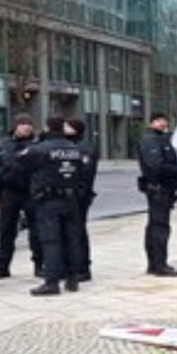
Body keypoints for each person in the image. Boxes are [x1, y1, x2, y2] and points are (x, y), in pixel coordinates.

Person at [21, 117, 87, 296]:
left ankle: (52, 282)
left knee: (51, 241)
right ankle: (72, 279)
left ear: (47, 128)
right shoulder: (75, 149)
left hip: (49, 201)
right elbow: (82, 174)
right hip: (71, 199)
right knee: (71, 240)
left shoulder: (41, 148)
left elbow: (20, 164)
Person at [0, 113, 40, 280]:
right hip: (8, 193)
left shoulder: (37, 145)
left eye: (29, 123)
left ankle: (39, 265)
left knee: (37, 231)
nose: (26, 126)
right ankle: (2, 267)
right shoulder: (4, 145)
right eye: (23, 123)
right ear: (15, 126)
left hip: (31, 192)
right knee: (6, 231)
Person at [138, 114, 177, 277]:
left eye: (165, 120)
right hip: (158, 189)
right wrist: (176, 169)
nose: (164, 123)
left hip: (163, 189)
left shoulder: (160, 139)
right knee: (159, 227)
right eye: (160, 120)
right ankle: (158, 264)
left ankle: (156, 263)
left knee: (157, 226)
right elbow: (155, 165)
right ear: (153, 122)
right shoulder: (151, 140)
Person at [65, 118, 97, 281]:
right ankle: (74, 266)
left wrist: (79, 195)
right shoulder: (71, 146)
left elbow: (85, 175)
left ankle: (83, 268)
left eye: (68, 126)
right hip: (73, 196)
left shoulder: (84, 148)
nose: (65, 129)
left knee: (78, 232)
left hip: (79, 197)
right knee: (72, 232)